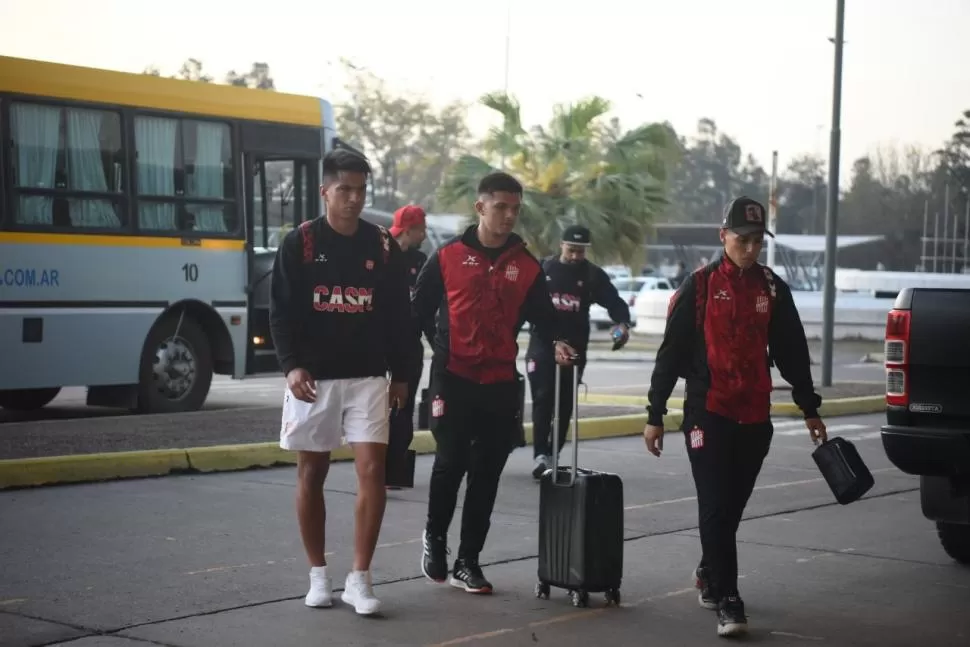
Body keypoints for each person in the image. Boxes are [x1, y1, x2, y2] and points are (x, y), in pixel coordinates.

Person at [642, 196, 827, 638]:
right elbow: (670, 355)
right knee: (715, 504)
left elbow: (792, 351)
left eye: (757, 240)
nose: (750, 247)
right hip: (709, 412)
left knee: (731, 508)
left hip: (754, 416)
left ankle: (709, 569)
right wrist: (655, 413)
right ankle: (729, 598)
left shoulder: (772, 288)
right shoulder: (700, 286)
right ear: (722, 236)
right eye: (741, 239)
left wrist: (809, 408)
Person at [412, 171, 576, 594]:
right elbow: (418, 310)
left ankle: (469, 561)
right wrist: (437, 347)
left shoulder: (525, 265)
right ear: (480, 207)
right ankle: (435, 539)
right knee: (450, 462)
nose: (508, 216)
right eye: (500, 207)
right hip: (454, 378)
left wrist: (558, 341)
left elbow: (546, 317)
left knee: (486, 473)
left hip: (501, 382)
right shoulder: (447, 257)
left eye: (515, 209)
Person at [269, 149, 414, 616]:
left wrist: (403, 373)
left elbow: (399, 316)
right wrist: (292, 365)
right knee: (312, 473)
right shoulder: (301, 243)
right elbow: (281, 312)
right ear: (325, 192)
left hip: (370, 376)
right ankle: (318, 576)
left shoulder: (383, 245)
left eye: (361, 190)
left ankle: (360, 578)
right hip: (314, 379)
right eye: (345, 190)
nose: (354, 199)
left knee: (373, 470)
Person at [526, 224, 632, 480]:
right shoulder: (543, 270)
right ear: (561, 245)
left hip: (574, 347)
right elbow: (525, 306)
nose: (575, 256)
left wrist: (622, 324)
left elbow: (614, 302)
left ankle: (553, 454)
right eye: (571, 250)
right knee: (543, 397)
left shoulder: (593, 275)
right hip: (543, 344)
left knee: (564, 402)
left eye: (580, 252)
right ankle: (541, 454)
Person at [385, 205, 428, 489]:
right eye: (422, 230)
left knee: (403, 408)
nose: (424, 235)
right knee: (376, 408)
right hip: (377, 343)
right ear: (410, 230)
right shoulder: (380, 253)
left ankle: (395, 468)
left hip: (410, 345)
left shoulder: (422, 261)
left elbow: (426, 307)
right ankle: (376, 465)